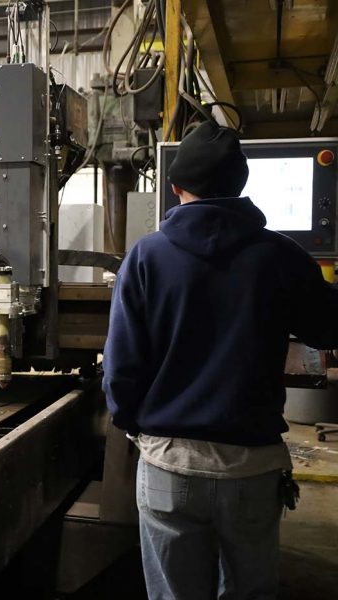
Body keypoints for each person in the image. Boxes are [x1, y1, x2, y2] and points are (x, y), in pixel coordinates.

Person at [102, 120, 338, 600]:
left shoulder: (145, 257)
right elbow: (328, 328)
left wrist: (137, 427)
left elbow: (121, 368)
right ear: (241, 185)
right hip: (251, 469)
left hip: (169, 464)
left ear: (174, 186)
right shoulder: (282, 256)